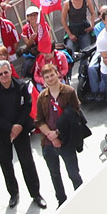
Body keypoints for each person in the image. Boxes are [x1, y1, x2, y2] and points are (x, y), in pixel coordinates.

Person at [0, 62, 42, 210]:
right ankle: (13, 194)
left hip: (21, 130)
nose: (4, 76)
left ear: (10, 71)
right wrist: (11, 128)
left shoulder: (21, 86)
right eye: (0, 74)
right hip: (2, 132)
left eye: (5, 72)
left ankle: (36, 194)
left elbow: (27, 105)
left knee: (27, 163)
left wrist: (19, 126)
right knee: (6, 165)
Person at [30, 69, 85, 204]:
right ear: (43, 80)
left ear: (57, 75)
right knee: (55, 174)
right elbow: (39, 120)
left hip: (67, 141)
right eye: (47, 77)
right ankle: (61, 200)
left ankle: (81, 198)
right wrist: (50, 135)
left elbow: (75, 115)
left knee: (73, 173)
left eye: (52, 75)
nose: (50, 78)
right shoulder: (42, 96)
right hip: (48, 143)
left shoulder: (69, 92)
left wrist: (58, 134)